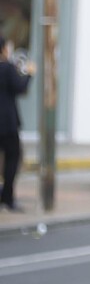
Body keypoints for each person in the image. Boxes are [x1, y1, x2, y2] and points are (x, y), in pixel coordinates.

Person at [0, 35, 36, 212]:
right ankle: (7, 197)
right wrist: (29, 74)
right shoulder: (7, 68)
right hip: (7, 124)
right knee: (12, 160)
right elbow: (21, 87)